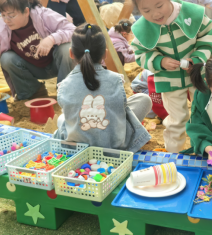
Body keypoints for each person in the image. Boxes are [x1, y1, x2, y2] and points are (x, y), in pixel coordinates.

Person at [130, 0, 212, 153]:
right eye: (146, 10)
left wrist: (198, 58)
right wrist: (159, 61)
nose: (155, 14)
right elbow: (140, 53)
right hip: (168, 80)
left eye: (159, 5)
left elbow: (208, 36)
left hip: (198, 75)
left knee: (205, 114)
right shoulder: (143, 28)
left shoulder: (191, 13)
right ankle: (174, 155)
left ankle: (205, 150)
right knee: (176, 120)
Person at [54, 23, 152, 153]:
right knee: (144, 99)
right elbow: (120, 111)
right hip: (115, 147)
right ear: (105, 54)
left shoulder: (64, 85)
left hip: (78, 148)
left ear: (71, 53)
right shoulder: (116, 79)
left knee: (62, 118)